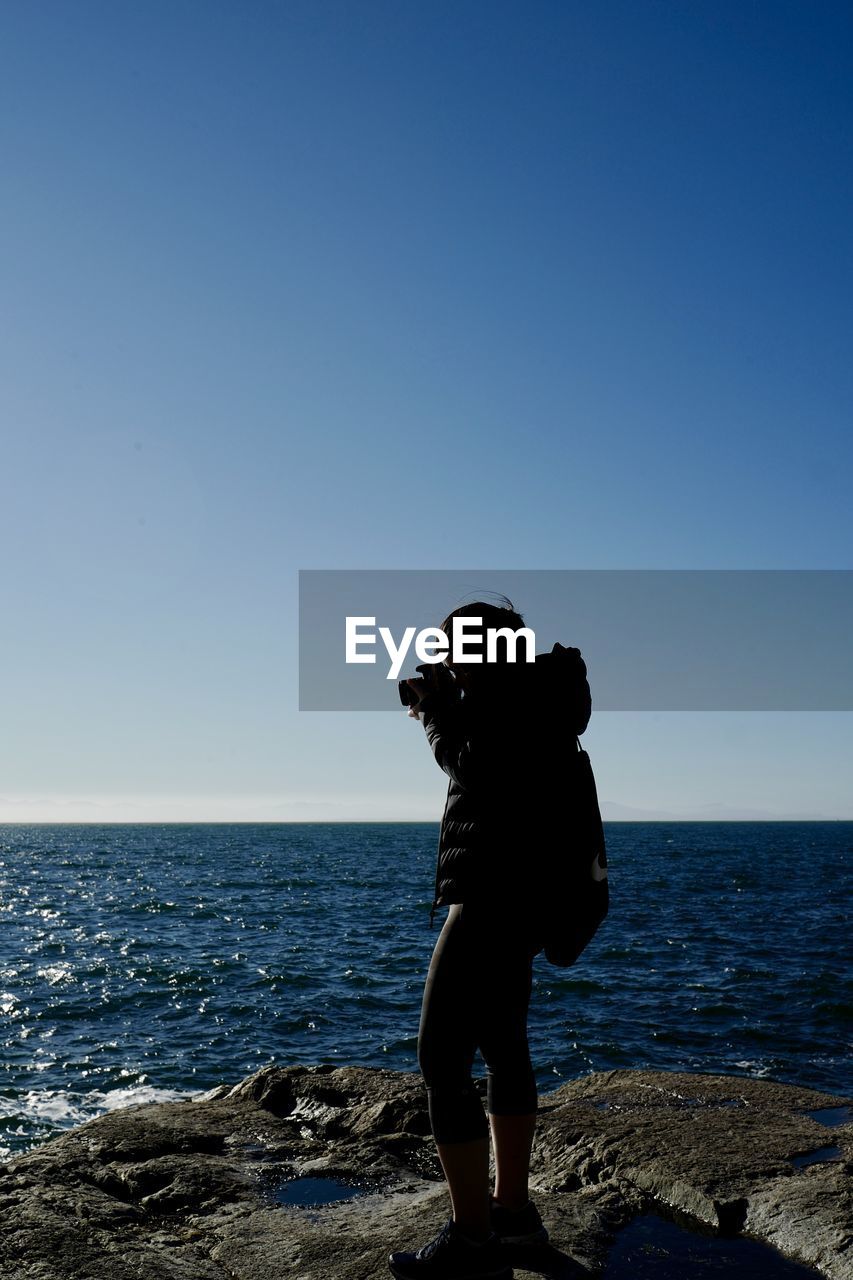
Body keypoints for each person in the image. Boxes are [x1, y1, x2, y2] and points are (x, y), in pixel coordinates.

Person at [388, 599, 592, 1280]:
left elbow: (480, 773)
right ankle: (512, 1217)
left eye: (451, 649)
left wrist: (438, 717)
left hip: (491, 899)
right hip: (529, 898)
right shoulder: (538, 694)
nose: (443, 661)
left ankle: (472, 1241)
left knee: (441, 1061)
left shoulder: (505, 704)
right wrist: (449, 708)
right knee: (505, 1050)